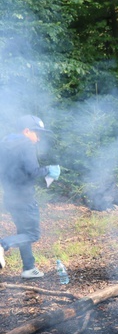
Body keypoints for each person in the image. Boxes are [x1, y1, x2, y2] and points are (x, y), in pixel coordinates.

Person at [0, 115, 59, 278]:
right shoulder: (26, 144)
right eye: (37, 133)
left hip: (10, 197)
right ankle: (3, 244)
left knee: (22, 231)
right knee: (32, 234)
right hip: (25, 198)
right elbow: (32, 171)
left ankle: (29, 268)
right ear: (27, 131)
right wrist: (49, 170)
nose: (38, 139)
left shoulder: (4, 143)